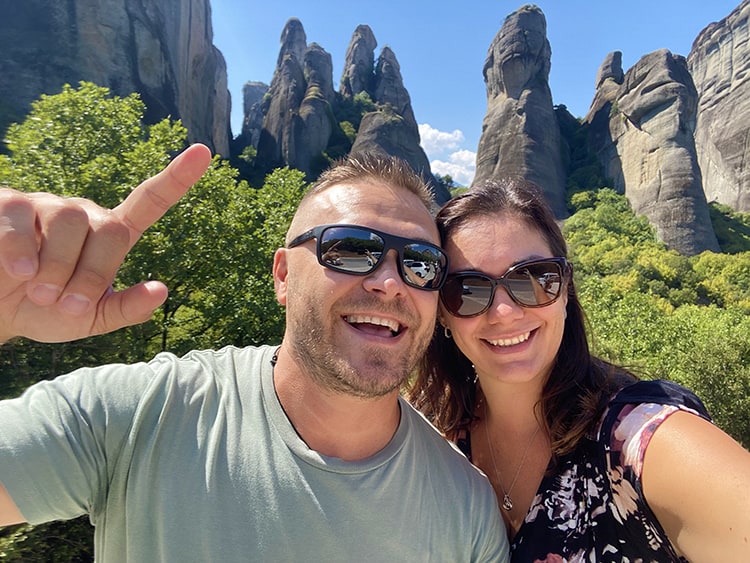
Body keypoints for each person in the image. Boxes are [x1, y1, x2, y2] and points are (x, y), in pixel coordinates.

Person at [0, 144, 509, 562]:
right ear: (283, 276)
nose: (388, 282)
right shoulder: (139, 414)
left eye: (421, 264)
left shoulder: (466, 508)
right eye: (352, 248)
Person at [409, 176, 750, 562]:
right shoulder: (433, 434)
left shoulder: (640, 437)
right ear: (441, 314)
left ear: (565, 289)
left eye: (533, 279)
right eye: (467, 290)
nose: (503, 312)